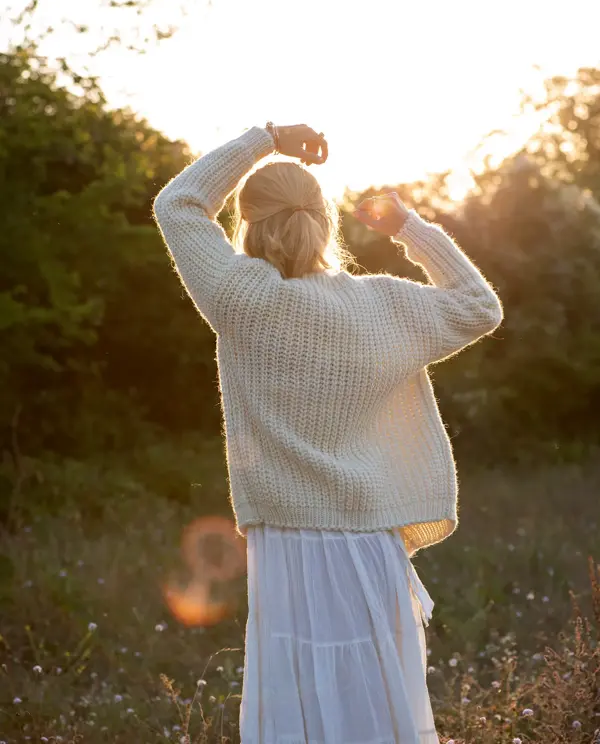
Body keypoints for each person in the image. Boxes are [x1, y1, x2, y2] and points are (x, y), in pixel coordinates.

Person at [152, 123, 504, 743]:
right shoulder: (381, 304)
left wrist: (266, 139)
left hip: (289, 547)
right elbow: (481, 306)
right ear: (324, 219)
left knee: (305, 711)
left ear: (249, 223)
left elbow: (177, 203)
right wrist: (408, 227)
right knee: (377, 707)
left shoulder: (240, 295)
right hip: (372, 547)